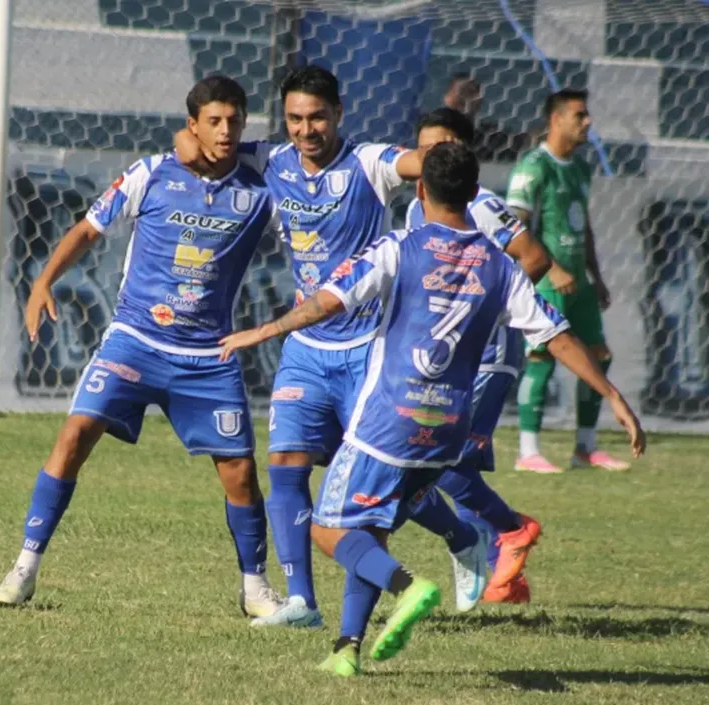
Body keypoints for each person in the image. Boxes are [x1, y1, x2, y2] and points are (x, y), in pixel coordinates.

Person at [219, 141, 646, 676]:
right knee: (371, 527)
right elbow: (556, 335)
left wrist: (263, 330)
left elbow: (327, 301)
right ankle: (347, 648)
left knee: (327, 530)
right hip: (446, 433)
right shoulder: (500, 266)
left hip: (386, 422)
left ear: (420, 191)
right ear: (474, 194)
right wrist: (613, 395)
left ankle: (406, 585)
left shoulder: (399, 247)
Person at [175, 66, 488, 628]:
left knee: (396, 488)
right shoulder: (270, 160)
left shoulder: (368, 163)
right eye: (294, 118)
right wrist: (184, 138)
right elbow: (198, 143)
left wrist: (446, 155)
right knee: (287, 467)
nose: (305, 128)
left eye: (316, 116)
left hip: (372, 352)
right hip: (307, 346)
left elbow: (422, 163)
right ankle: (302, 603)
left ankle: (463, 537)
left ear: (339, 113)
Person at [0, 75, 285, 619]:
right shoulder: (151, 173)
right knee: (74, 434)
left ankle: (254, 588)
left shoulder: (262, 187)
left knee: (240, 472)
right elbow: (87, 230)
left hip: (206, 355)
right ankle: (24, 567)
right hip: (135, 340)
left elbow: (303, 158)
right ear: (192, 124)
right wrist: (42, 281)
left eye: (234, 121)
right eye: (212, 121)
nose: (225, 131)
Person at [404, 107, 572, 603]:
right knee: (461, 464)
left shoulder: (479, 203)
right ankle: (506, 579)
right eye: (422, 148)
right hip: (451, 360)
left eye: (438, 148)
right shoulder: (418, 207)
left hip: (489, 354)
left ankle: (510, 529)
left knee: (437, 460)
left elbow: (535, 257)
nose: (427, 157)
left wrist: (492, 313)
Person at [508, 89, 630, 473]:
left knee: (600, 356)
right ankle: (528, 451)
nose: (587, 122)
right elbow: (514, 225)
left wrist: (597, 275)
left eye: (587, 115)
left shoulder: (579, 167)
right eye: (580, 115)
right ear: (556, 119)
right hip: (547, 281)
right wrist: (551, 269)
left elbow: (584, 225)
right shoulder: (533, 166)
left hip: (578, 282)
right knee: (542, 357)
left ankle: (585, 447)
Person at [444, 73, 530, 163]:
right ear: (447, 97)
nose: (464, 98)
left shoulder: (491, 136)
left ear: (479, 101)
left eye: (471, 92)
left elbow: (525, 140)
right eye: (461, 91)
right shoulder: (431, 130)